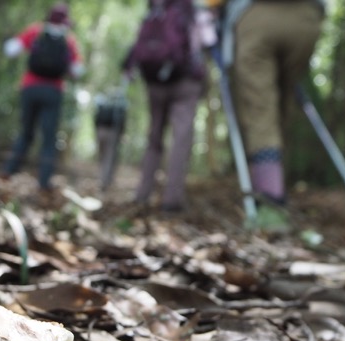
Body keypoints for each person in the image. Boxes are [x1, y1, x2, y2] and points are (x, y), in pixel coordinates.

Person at [220, 0, 325, 207]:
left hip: (255, 16)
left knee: (261, 111)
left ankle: (270, 199)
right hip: (307, 19)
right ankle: (269, 182)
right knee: (282, 103)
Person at [123, 0, 212, 213]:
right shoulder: (192, 9)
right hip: (186, 80)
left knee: (154, 137)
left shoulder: (155, 9)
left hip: (155, 83)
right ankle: (172, 199)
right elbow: (208, 40)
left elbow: (138, 46)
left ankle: (142, 194)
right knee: (181, 139)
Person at [2, 3, 85, 193]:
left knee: (26, 132)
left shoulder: (36, 31)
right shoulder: (68, 40)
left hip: (30, 87)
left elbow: (10, 50)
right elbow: (78, 70)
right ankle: (44, 181)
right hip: (54, 91)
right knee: (49, 138)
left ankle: (9, 171)